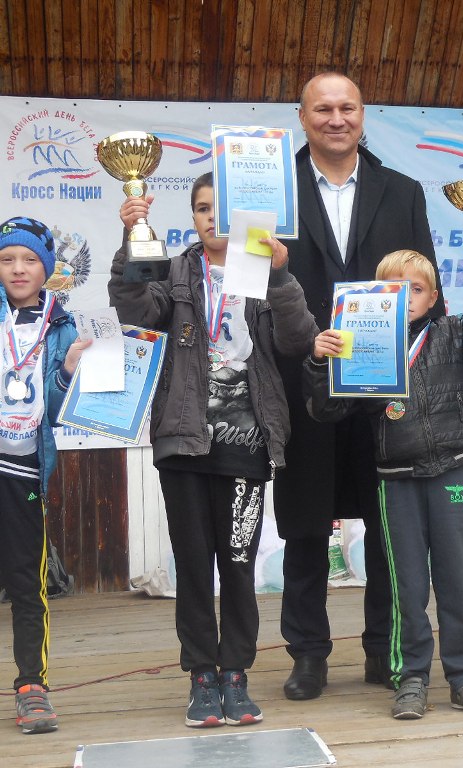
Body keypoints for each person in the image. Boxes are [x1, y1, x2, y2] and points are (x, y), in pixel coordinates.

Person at [109, 175, 318, 728]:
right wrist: (133, 240)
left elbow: (298, 341)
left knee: (239, 565)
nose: (210, 218)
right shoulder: (174, 271)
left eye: (219, 209)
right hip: (184, 442)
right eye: (202, 209)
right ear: (193, 217)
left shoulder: (262, 271)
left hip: (248, 445)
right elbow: (135, 310)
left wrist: (281, 275)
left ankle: (236, 674)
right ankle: (202, 675)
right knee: (195, 565)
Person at [273, 72, 444, 701]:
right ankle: (307, 655)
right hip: (302, 380)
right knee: (304, 524)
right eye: (323, 108)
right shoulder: (271, 191)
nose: (336, 118)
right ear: (302, 117)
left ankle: (384, 648)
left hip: (384, 387)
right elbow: (245, 285)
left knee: (389, 525)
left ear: (363, 115)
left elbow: (426, 289)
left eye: (347, 107)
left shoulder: (403, 191)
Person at [303, 245, 463, 719]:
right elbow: (327, 410)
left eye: (416, 289)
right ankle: (411, 678)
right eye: (395, 289)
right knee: (407, 585)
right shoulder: (361, 344)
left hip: (450, 471)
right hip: (395, 479)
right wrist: (320, 362)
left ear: (434, 298)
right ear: (377, 296)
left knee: (455, 580)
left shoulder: (452, 334)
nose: (406, 297)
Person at [0, 217, 88, 734]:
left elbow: (57, 411)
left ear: (48, 267)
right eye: (7, 258)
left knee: (25, 582)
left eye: (30, 259)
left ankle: (31, 687)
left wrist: (68, 370)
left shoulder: (63, 327)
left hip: (24, 468)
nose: (18, 268)